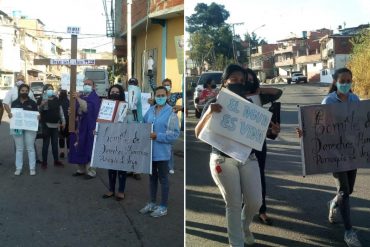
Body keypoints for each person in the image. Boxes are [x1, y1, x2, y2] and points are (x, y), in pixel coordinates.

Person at [195, 64, 262, 246]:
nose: (239, 83)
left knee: (255, 201)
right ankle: (236, 243)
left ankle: (244, 225)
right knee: (233, 204)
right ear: (224, 82)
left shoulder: (250, 106)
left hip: (248, 158)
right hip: (223, 160)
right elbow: (197, 132)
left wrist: (271, 130)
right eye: (234, 80)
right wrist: (209, 112)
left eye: (242, 81)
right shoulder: (213, 103)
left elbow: (260, 134)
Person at [297, 68, 362, 247]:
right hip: (334, 153)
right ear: (335, 81)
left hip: (352, 152)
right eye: (343, 80)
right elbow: (318, 126)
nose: (346, 83)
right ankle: (349, 232)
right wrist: (305, 132)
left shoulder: (355, 99)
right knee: (343, 191)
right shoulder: (328, 101)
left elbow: (362, 122)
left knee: (347, 191)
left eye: (349, 80)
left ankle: (333, 203)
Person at [244, 68, 282, 225]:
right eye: (244, 79)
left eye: (251, 79)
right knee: (240, 178)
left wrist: (259, 89)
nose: (248, 82)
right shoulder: (232, 97)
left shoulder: (258, 96)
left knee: (259, 176)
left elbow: (278, 92)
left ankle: (262, 210)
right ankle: (243, 209)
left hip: (258, 142)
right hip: (238, 143)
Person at [139, 86, 180, 217]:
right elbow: (143, 125)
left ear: (167, 96)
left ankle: (163, 206)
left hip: (162, 154)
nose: (160, 97)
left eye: (163, 95)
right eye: (158, 95)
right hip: (149, 152)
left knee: (164, 180)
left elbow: (174, 135)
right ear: (154, 96)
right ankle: (152, 203)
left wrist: (158, 136)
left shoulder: (171, 113)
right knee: (152, 179)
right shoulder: (150, 111)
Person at [69, 79, 101, 179]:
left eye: (89, 84)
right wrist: (71, 111)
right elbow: (77, 109)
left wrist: (78, 98)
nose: (86, 85)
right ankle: (81, 169)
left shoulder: (94, 97)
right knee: (79, 145)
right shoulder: (82, 96)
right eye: (85, 84)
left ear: (94, 86)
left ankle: (91, 171)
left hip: (90, 126)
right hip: (80, 125)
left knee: (90, 147)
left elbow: (86, 109)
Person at [149, 78, 183, 174]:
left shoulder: (175, 95)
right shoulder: (158, 97)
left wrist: (182, 108)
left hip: (171, 122)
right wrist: (150, 74)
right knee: (162, 145)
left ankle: (170, 166)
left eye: (168, 85)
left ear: (171, 86)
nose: (166, 86)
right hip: (160, 123)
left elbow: (186, 94)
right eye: (165, 84)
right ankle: (163, 164)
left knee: (169, 146)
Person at [102, 84, 127, 201]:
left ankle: (121, 190)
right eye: (112, 92)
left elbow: (131, 122)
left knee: (121, 167)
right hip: (109, 140)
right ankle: (111, 189)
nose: (114, 94)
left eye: (117, 92)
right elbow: (101, 121)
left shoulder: (126, 106)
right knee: (111, 167)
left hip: (123, 140)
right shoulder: (105, 106)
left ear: (121, 93)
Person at [10, 84, 38, 176]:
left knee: (30, 148)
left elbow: (37, 114)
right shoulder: (14, 103)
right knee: (19, 149)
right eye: (23, 90)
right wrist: (10, 115)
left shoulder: (33, 103)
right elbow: (12, 115)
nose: (24, 92)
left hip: (30, 128)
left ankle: (32, 168)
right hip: (17, 127)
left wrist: (38, 117)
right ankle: (18, 168)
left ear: (28, 92)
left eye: (26, 91)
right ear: (19, 91)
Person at [38, 84, 65, 169]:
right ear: (45, 90)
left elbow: (60, 111)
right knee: (46, 144)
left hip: (55, 125)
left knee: (55, 144)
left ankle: (56, 160)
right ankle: (44, 162)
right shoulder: (41, 98)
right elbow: (38, 111)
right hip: (46, 125)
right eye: (48, 89)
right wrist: (42, 105)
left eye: (51, 89)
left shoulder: (56, 99)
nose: (50, 90)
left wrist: (63, 121)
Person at [58, 90, 70, 158]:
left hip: (61, 122)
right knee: (68, 137)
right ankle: (69, 151)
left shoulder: (58, 101)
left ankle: (62, 151)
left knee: (61, 137)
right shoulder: (69, 101)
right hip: (68, 121)